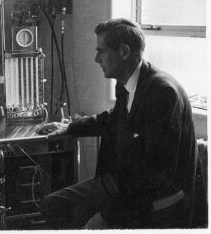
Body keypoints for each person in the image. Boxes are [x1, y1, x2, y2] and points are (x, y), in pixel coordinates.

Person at [38, 18, 197, 229]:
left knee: (84, 219)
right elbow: (113, 119)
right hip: (126, 183)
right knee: (53, 205)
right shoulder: (128, 82)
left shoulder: (162, 93)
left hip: (160, 197)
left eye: (101, 51)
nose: (96, 59)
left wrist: (109, 215)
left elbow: (157, 174)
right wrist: (70, 128)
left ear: (123, 51)